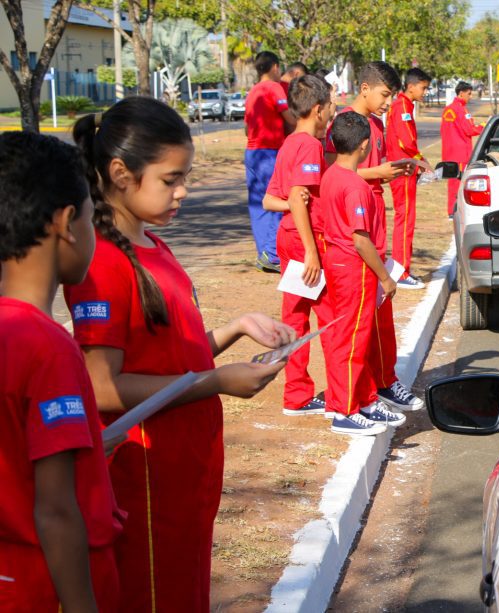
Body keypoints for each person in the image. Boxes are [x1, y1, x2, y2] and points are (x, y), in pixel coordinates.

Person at [67, 98, 295, 612]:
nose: (183, 191)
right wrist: (216, 382)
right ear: (122, 174)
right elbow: (102, 385)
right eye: (171, 179)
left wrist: (235, 329)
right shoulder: (103, 263)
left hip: (185, 468)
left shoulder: (152, 244)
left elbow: (171, 356)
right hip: (145, 477)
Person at [0, 132, 123, 612]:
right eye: (93, 218)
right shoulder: (48, 347)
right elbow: (55, 510)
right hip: (46, 585)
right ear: (66, 223)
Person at [326, 61, 426, 413]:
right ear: (365, 88)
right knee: (357, 326)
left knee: (380, 319)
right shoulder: (344, 125)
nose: (388, 102)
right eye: (385, 95)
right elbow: (336, 169)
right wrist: (378, 171)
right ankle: (363, 393)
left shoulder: (377, 123)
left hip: (371, 219)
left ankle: (384, 381)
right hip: (353, 232)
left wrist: (398, 167)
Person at [321, 111, 407, 435]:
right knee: (352, 340)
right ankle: (344, 410)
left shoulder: (330, 175)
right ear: (366, 145)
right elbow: (360, 239)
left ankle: (365, 399)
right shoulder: (355, 186)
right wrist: (385, 277)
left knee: (359, 337)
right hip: (353, 269)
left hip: (339, 264)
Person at [262, 75, 336, 417]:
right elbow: (294, 196)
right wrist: (311, 251)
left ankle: (296, 395)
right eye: (331, 107)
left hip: (289, 235)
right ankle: (341, 395)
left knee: (294, 319)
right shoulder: (308, 145)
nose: (332, 114)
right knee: (331, 317)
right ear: (318, 109)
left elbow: (270, 200)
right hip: (305, 239)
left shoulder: (290, 142)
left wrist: (296, 201)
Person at [244, 50, 297, 273]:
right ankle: (272, 254)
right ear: (275, 67)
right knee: (276, 197)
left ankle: (263, 252)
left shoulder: (252, 91)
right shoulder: (273, 88)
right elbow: (289, 118)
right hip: (269, 151)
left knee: (258, 204)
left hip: (252, 152)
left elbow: (247, 128)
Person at [386, 67, 433, 290]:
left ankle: (401, 268)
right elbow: (406, 142)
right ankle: (401, 272)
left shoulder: (403, 105)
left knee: (404, 221)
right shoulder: (403, 105)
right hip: (404, 169)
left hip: (405, 169)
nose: (425, 92)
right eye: (423, 87)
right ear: (411, 86)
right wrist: (421, 160)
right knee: (405, 223)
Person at [441, 81, 483, 216]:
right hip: (460, 153)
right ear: (461, 93)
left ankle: (452, 210)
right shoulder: (460, 109)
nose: (470, 97)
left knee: (453, 181)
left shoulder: (448, 109)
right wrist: (483, 126)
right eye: (469, 94)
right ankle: (454, 211)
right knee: (458, 182)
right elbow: (470, 129)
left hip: (449, 151)